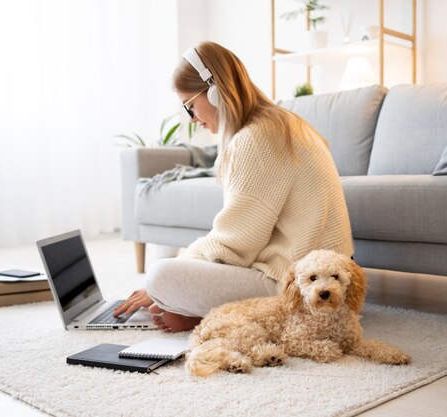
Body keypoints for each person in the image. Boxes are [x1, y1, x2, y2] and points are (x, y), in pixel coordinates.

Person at [114, 41, 354, 332]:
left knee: (160, 275)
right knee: (180, 270)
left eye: (190, 106)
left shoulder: (255, 137)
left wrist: (159, 287)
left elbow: (235, 243)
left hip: (297, 284)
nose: (192, 118)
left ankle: (216, 314)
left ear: (215, 92)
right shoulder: (281, 123)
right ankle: (205, 313)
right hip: (329, 278)